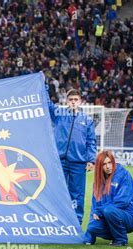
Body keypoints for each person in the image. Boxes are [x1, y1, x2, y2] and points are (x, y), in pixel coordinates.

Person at [46, 87, 97, 225]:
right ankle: (56, 221)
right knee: (57, 191)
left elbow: (91, 141)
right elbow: (47, 103)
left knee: (77, 194)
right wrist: (42, 85)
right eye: (70, 100)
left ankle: (76, 222)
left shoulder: (87, 120)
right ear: (66, 101)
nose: (73, 102)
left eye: (76, 99)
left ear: (80, 101)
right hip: (59, 161)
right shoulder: (59, 114)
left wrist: (91, 160)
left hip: (78, 163)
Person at [83, 151, 133, 246]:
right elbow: (94, 208)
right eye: (104, 164)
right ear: (99, 167)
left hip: (130, 216)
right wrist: (89, 236)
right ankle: (116, 234)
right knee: (92, 227)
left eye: (110, 162)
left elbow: (123, 201)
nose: (108, 167)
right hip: (109, 216)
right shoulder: (97, 183)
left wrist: (100, 211)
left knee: (109, 210)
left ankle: (121, 240)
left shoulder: (124, 175)